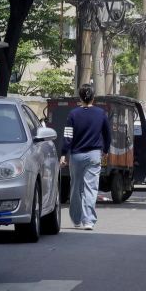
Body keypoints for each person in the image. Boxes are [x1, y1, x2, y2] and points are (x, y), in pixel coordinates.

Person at [59, 84, 111, 230]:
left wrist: (63, 154)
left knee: (75, 187)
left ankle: (76, 219)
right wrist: (105, 150)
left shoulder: (73, 114)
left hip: (76, 156)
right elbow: (107, 135)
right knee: (91, 188)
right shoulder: (101, 113)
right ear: (93, 97)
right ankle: (88, 220)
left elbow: (68, 136)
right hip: (94, 155)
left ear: (80, 97)